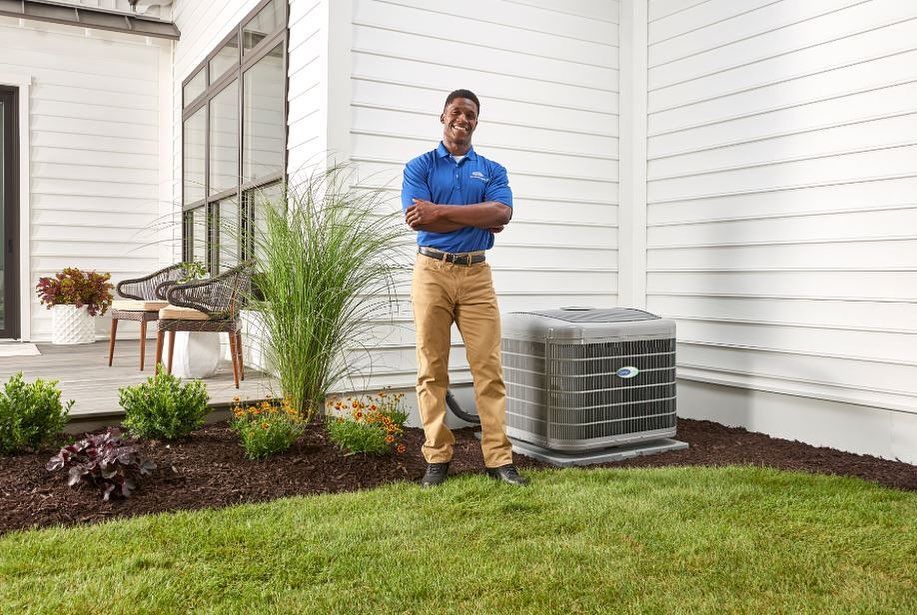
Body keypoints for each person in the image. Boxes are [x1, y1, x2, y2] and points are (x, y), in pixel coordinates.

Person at [402, 89, 528, 488]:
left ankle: (499, 459)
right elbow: (421, 222)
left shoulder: (491, 169)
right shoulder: (419, 167)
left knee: (488, 370)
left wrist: (439, 210)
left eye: (471, 114)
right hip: (432, 272)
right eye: (456, 112)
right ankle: (437, 457)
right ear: (443, 116)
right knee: (431, 368)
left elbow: (502, 212)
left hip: (476, 275)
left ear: (477, 120)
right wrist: (475, 217)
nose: (463, 118)